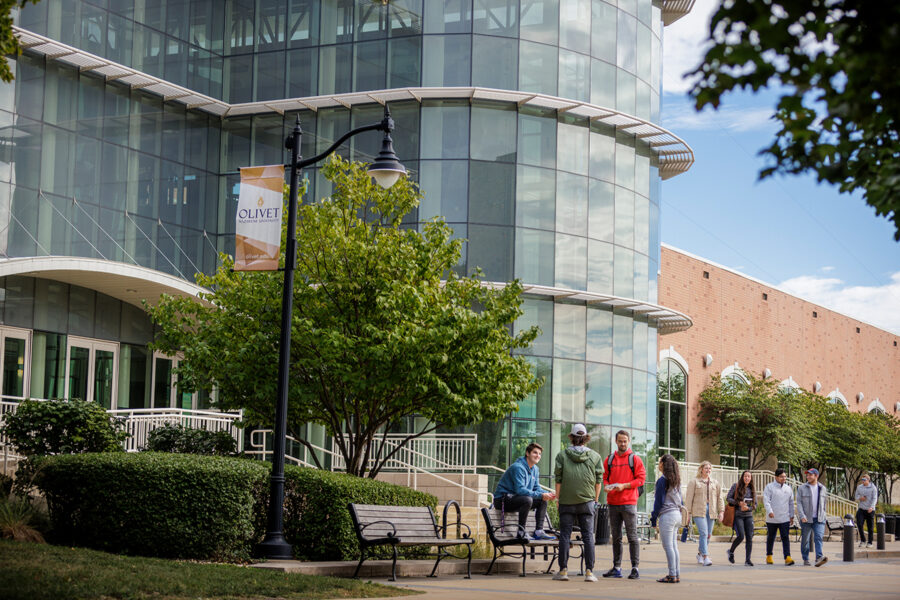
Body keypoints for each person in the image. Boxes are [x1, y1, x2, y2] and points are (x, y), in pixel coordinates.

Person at [552, 423, 604, 583]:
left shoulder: (562, 456)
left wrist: (559, 499)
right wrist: (595, 500)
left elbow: (558, 480)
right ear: (585, 438)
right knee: (588, 535)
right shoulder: (595, 456)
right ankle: (589, 572)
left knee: (565, 535)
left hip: (567, 501)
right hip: (587, 501)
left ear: (572, 437)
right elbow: (598, 481)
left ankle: (563, 571)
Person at [601, 430, 646, 580]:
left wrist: (625, 486)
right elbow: (605, 477)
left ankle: (635, 568)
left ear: (628, 441)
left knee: (632, 537)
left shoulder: (635, 459)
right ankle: (617, 568)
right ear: (616, 441)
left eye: (625, 441)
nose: (622, 443)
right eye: (620, 441)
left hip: (629, 503)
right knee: (616, 537)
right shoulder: (609, 459)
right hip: (613, 503)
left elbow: (641, 479)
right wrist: (606, 485)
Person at [493, 442, 556, 540]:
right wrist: (541, 495)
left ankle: (539, 531)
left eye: (539, 454)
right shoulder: (518, 467)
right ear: (527, 453)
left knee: (542, 500)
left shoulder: (535, 469)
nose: (538, 456)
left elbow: (536, 488)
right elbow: (520, 490)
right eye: (535, 453)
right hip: (502, 500)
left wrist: (547, 494)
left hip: (516, 499)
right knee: (527, 500)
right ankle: (521, 532)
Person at [684, 460, 725, 566]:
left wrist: (721, 511)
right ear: (701, 469)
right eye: (706, 468)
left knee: (708, 535)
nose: (708, 470)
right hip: (698, 510)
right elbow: (689, 498)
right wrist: (687, 513)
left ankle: (700, 554)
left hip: (711, 510)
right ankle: (706, 556)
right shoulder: (694, 482)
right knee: (703, 533)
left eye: (710, 468)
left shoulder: (715, 483)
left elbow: (720, 498)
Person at [651, 453, 684, 583]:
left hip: (667, 516)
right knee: (674, 546)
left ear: (664, 465)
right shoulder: (676, 480)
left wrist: (654, 518)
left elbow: (658, 501)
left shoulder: (662, 480)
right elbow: (681, 500)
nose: (659, 464)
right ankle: (676, 574)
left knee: (668, 546)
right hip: (677, 515)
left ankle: (671, 575)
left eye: (660, 462)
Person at [796, 468, 828, 567]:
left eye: (810, 475)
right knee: (805, 540)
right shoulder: (802, 488)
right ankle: (805, 558)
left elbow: (824, 503)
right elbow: (799, 503)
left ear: (816, 476)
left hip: (819, 518)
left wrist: (824, 515)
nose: (808, 477)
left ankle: (819, 557)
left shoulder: (822, 488)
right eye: (807, 475)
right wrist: (802, 516)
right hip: (806, 519)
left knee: (818, 537)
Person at [763, 468, 795, 565]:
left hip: (784, 517)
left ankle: (787, 557)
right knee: (771, 537)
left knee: (785, 537)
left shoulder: (788, 488)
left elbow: (791, 503)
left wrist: (792, 515)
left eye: (785, 476)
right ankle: (769, 556)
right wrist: (770, 511)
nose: (783, 478)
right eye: (781, 477)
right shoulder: (769, 487)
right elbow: (766, 501)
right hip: (772, 518)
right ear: (776, 477)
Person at [726, 470, 756, 566]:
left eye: (749, 476)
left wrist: (749, 507)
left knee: (749, 538)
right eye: (745, 476)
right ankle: (731, 551)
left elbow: (755, 505)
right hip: (738, 515)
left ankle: (748, 560)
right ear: (742, 477)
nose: (747, 478)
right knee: (741, 536)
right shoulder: (736, 486)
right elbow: (728, 498)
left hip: (749, 516)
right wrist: (738, 503)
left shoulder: (752, 489)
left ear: (751, 479)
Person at [854, 473, 878, 548]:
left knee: (870, 527)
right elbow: (856, 496)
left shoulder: (873, 488)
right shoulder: (859, 487)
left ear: (868, 480)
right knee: (859, 524)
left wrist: (872, 507)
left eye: (864, 480)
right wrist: (860, 498)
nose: (863, 481)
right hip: (861, 509)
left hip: (870, 510)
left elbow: (875, 498)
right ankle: (863, 540)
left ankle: (870, 542)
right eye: (862, 480)